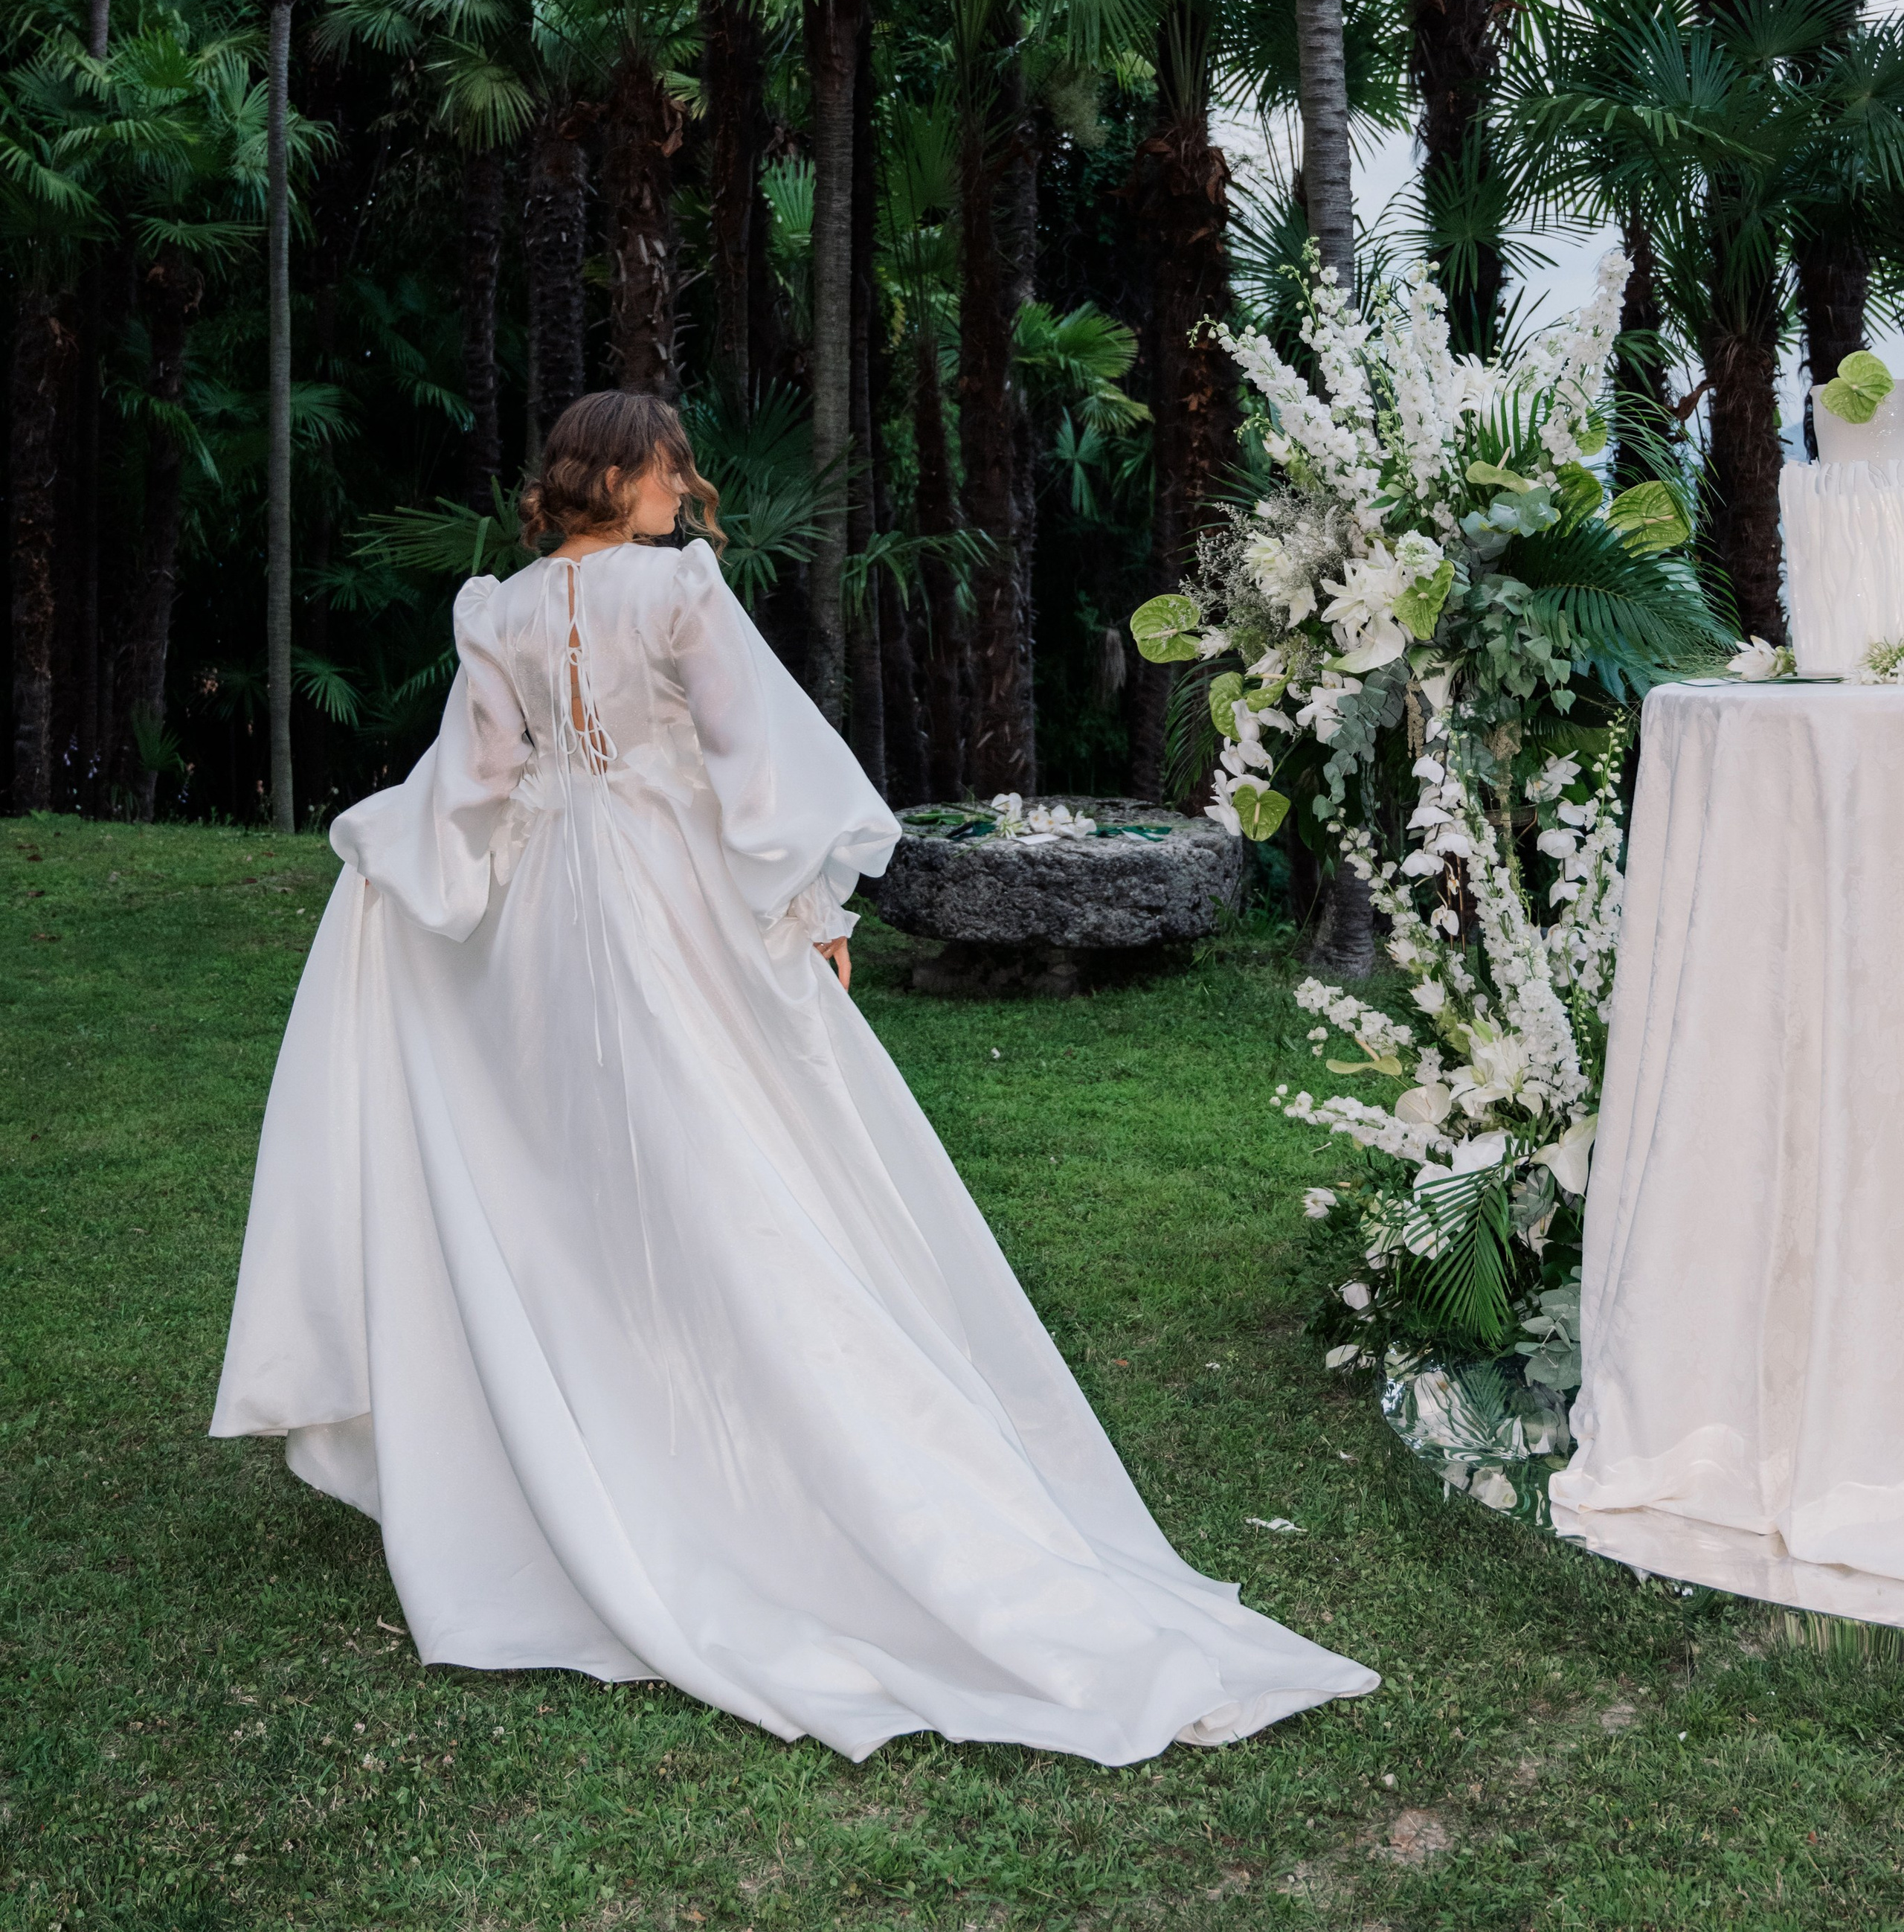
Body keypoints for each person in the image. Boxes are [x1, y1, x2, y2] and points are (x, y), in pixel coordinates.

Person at [213, 391, 1376, 1762]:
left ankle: (630, 1424)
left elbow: (474, 784)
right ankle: (747, 1435)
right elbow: (749, 748)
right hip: (677, 905)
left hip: (552, 928)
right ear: (625, 473)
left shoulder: (500, 610)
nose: (683, 483)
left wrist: (404, 862)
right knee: (737, 1151)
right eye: (666, 464)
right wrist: (819, 904)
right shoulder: (677, 590)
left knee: (596, 1170)